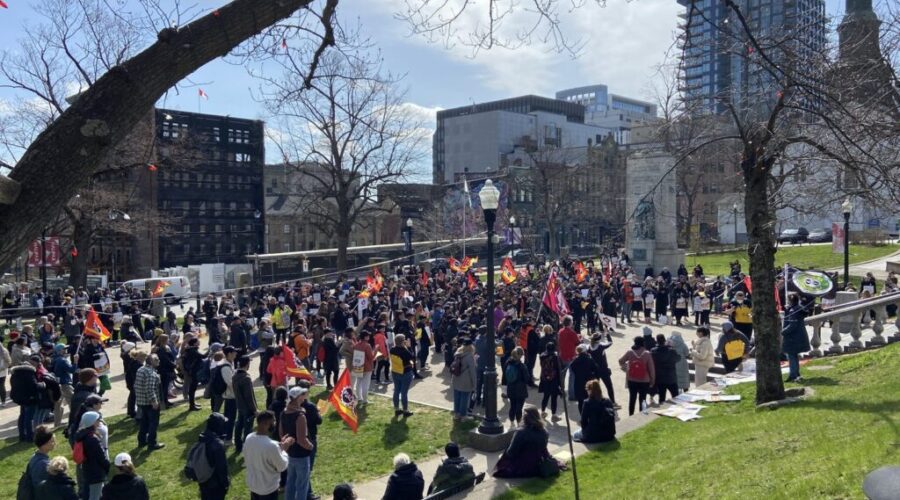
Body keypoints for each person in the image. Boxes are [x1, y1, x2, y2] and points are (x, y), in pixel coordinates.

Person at [493, 405, 561, 478]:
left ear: (524, 418)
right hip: (538, 463)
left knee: (507, 451)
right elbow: (543, 449)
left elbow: (511, 452)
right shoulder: (544, 431)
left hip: (523, 467)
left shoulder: (520, 432)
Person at [244, 410, 292, 500]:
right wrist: (285, 449)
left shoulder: (249, 438)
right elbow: (282, 466)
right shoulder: (271, 446)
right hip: (268, 489)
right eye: (273, 421)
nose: (275, 424)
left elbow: (262, 451)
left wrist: (279, 447)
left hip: (253, 485)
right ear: (265, 424)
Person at [280, 386, 315, 500]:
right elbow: (302, 439)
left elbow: (281, 433)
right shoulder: (300, 416)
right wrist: (310, 446)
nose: (304, 396)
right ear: (298, 397)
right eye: (302, 394)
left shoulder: (284, 413)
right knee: (302, 485)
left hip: (290, 453)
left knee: (290, 482)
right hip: (301, 455)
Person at [74, 411, 110, 500]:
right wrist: (109, 468)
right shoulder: (92, 439)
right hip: (96, 474)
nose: (99, 421)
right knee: (95, 497)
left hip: (87, 471)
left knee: (88, 494)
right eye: (98, 420)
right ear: (92, 422)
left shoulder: (82, 436)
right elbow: (101, 457)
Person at [10, 353, 45, 442]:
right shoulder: (29, 373)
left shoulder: (16, 372)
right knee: (28, 418)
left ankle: (22, 436)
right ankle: (29, 437)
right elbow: (34, 386)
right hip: (29, 398)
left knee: (22, 416)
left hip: (19, 397)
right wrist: (42, 385)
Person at [134, 353, 165, 450]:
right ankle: (152, 443)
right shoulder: (151, 373)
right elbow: (149, 389)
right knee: (153, 423)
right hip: (150, 403)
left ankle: (142, 441)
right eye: (157, 359)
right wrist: (154, 402)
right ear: (151, 362)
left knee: (144, 422)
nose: (159, 361)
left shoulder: (141, 369)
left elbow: (136, 385)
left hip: (141, 401)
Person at [196, 412, 230, 500]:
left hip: (203, 481)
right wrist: (225, 483)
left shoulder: (203, 436)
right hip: (215, 484)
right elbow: (222, 468)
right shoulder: (217, 444)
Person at [618, 336, 655, 416]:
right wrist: (652, 380)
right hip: (644, 380)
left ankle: (631, 415)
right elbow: (651, 369)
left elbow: (620, 361)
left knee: (632, 398)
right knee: (643, 399)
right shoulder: (647, 353)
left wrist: (627, 368)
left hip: (632, 379)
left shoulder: (630, 352)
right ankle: (642, 415)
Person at [298, 379, 323, 500]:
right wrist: (319, 413)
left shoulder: (292, 404)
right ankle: (308, 494)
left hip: (297, 439)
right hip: (310, 439)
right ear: (307, 391)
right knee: (306, 468)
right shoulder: (311, 407)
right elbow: (318, 421)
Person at [782, 293, 811, 382]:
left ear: (790, 300)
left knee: (791, 356)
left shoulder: (793, 311)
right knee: (794, 355)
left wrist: (783, 331)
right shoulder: (799, 308)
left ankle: (793, 375)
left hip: (793, 337)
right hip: (799, 335)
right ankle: (796, 374)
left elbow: (792, 325)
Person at [233, 355, 258, 453]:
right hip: (247, 408)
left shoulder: (235, 375)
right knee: (248, 429)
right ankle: (246, 448)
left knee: (239, 425)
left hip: (239, 405)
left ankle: (238, 445)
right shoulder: (246, 378)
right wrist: (255, 410)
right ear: (247, 364)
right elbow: (249, 396)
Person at [22, 424, 56, 495]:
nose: (54, 443)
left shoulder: (34, 457)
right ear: (44, 444)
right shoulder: (44, 464)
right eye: (52, 441)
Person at [449, 338, 476, 421]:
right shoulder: (469, 356)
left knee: (457, 397)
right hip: (465, 380)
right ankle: (463, 416)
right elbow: (472, 372)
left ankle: (456, 414)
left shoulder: (458, 353)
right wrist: (474, 385)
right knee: (465, 398)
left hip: (456, 378)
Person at [568, 344, 600, 414]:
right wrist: (596, 378)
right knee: (590, 399)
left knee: (580, 402)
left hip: (578, 383)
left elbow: (572, 368)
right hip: (588, 382)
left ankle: (582, 416)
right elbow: (596, 369)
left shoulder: (575, 360)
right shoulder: (589, 359)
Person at [389, 334, 415, 417]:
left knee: (396, 390)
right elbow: (412, 357)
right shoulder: (404, 350)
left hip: (395, 371)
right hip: (405, 372)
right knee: (404, 392)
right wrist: (409, 347)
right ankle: (405, 410)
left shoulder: (392, 349)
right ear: (403, 341)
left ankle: (397, 409)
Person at [588, 333, 616, 407]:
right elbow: (610, 342)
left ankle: (595, 403)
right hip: (603, 370)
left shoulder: (589, 347)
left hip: (595, 370)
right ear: (599, 339)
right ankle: (613, 402)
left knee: (595, 387)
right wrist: (607, 334)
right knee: (609, 386)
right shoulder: (600, 346)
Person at [51, 343, 77, 426]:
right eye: (63, 349)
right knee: (73, 401)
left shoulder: (54, 359)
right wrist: (75, 361)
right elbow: (72, 370)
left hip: (57, 384)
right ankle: (75, 419)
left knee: (58, 404)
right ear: (59, 351)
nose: (65, 350)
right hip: (65, 384)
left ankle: (57, 423)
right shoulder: (62, 360)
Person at [650, 334, 681, 402]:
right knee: (676, 396)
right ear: (664, 341)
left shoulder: (653, 351)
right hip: (671, 377)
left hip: (660, 378)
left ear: (657, 341)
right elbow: (678, 358)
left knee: (661, 397)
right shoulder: (671, 351)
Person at [504, 346, 529, 426]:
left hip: (511, 388)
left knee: (512, 405)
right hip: (520, 389)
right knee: (519, 408)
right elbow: (526, 378)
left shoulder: (507, 363)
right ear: (521, 355)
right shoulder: (522, 366)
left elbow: (505, 375)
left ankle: (511, 421)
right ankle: (519, 422)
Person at [538, 341, 562, 421]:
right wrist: (560, 383)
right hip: (554, 379)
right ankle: (554, 415)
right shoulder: (555, 357)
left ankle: (543, 412)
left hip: (544, 379)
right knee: (554, 398)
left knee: (545, 396)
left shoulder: (542, 356)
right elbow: (558, 370)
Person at [351, 330, 375, 404]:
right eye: (368, 336)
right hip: (367, 367)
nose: (369, 337)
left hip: (358, 366)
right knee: (366, 384)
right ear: (365, 337)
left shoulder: (356, 345)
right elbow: (371, 357)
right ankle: (365, 400)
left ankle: (360, 398)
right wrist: (376, 350)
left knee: (358, 383)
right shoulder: (367, 345)